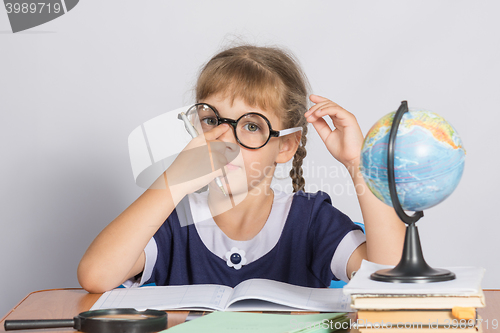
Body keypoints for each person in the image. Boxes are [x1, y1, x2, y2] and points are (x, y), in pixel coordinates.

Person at [77, 45, 406, 293]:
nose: (226, 140)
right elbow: (96, 276)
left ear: (286, 146)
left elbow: (390, 282)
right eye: (211, 120)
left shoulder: (311, 219)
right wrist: (175, 180)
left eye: (251, 126)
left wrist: (359, 165)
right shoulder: (173, 221)